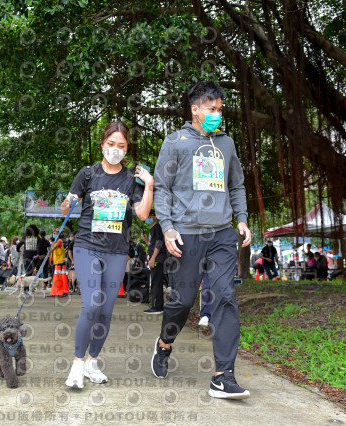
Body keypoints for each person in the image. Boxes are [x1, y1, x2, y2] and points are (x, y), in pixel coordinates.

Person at [151, 81, 252, 399]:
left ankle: (224, 375)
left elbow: (236, 185)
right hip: (186, 234)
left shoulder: (226, 143)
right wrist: (168, 227)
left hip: (221, 233)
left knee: (225, 297)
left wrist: (241, 218)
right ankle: (164, 343)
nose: (217, 114)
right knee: (181, 301)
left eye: (220, 109)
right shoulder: (175, 142)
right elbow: (162, 187)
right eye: (211, 109)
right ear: (195, 109)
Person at [61, 121, 153, 389]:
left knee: (106, 310)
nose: (115, 149)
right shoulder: (88, 174)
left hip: (117, 250)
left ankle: (92, 362)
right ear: (102, 144)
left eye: (121, 146)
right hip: (87, 246)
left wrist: (149, 184)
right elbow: (67, 205)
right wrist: (69, 202)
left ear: (127, 149)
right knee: (92, 305)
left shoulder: (131, 179)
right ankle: (77, 364)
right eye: (111, 144)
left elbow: (142, 214)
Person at [144, 209, 167, 314]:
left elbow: (159, 243)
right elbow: (152, 245)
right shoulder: (152, 229)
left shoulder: (157, 228)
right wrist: (146, 240)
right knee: (154, 282)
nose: (147, 218)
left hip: (157, 259)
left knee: (156, 282)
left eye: (149, 216)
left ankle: (157, 307)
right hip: (154, 258)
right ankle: (156, 305)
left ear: (154, 217)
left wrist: (153, 258)